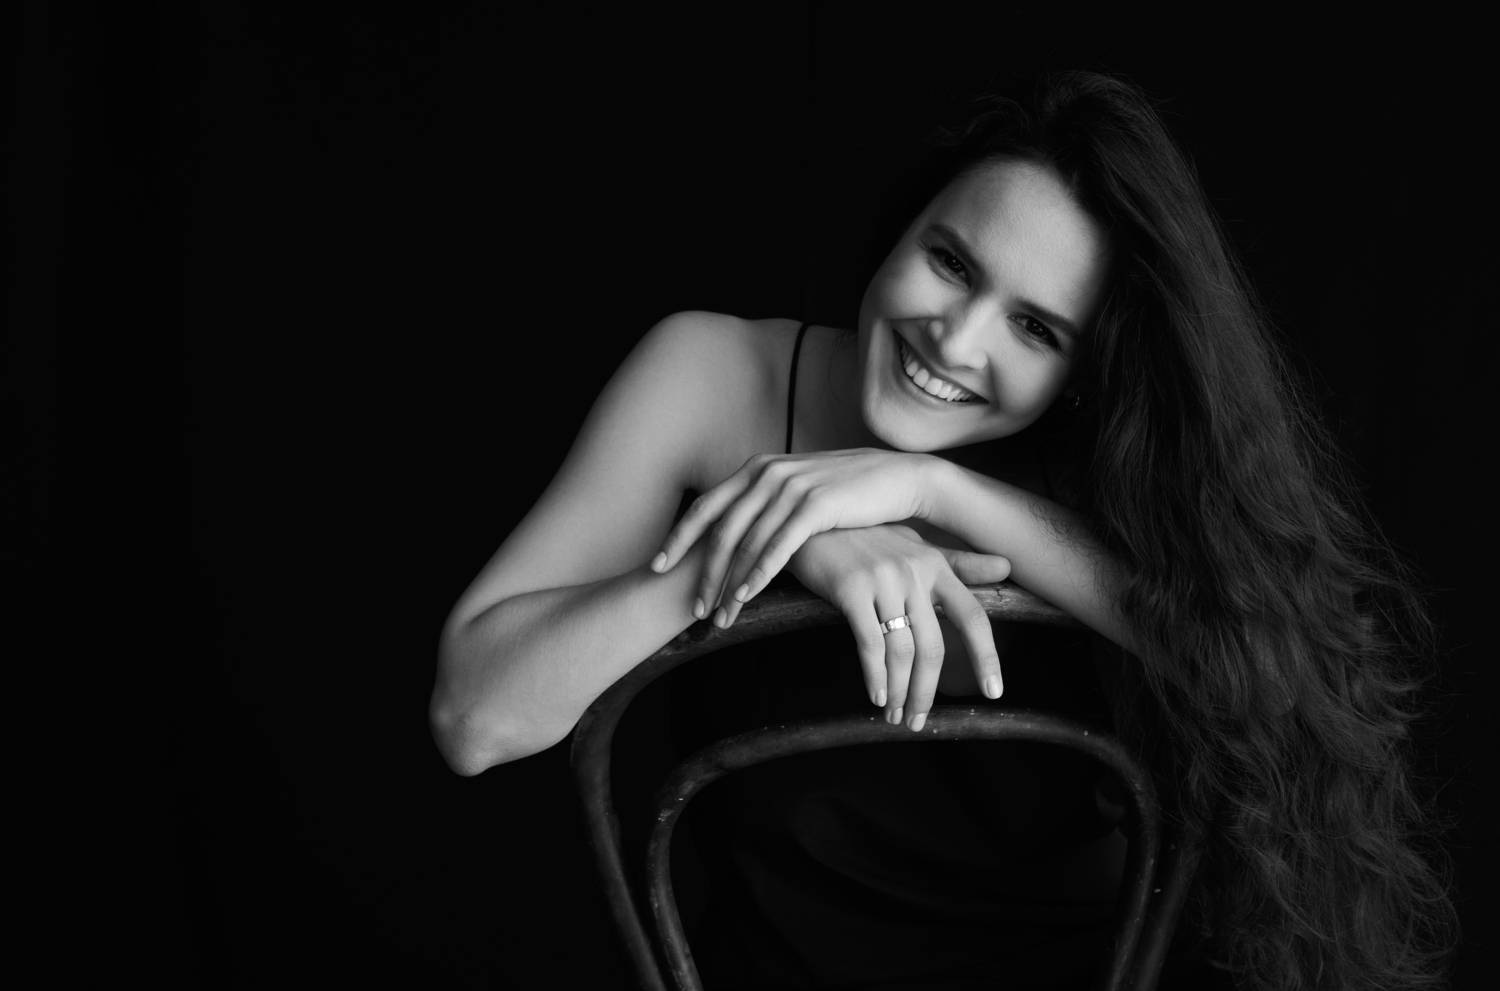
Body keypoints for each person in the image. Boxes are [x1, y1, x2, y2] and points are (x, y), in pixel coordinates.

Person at [430, 72, 1455, 990]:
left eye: (1035, 328)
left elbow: (1275, 685)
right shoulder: (713, 374)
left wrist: (930, 488)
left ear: (1081, 374)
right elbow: (476, 721)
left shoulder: (1105, 468)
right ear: (903, 228)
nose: (956, 341)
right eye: (952, 262)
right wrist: (768, 536)